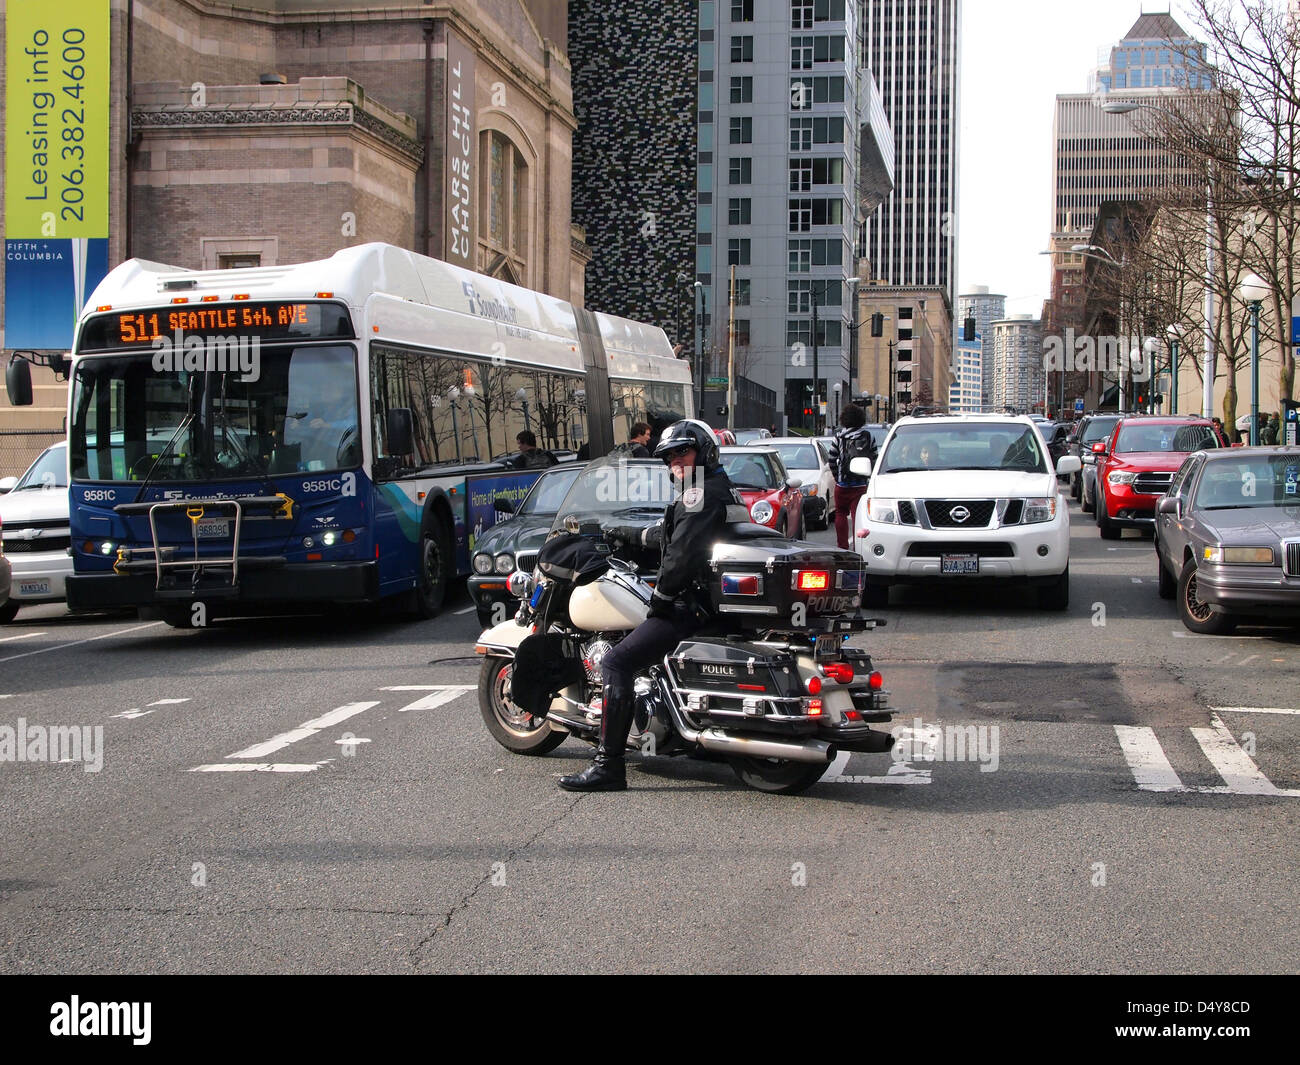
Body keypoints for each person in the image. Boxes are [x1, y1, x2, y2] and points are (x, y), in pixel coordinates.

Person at [558, 419, 744, 792]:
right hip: (715, 605)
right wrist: (623, 533)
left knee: (616, 662)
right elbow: (675, 535)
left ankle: (607, 766)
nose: (676, 460)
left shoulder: (698, 494)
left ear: (705, 451)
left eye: (683, 451)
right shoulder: (717, 489)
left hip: (690, 606)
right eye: (670, 456)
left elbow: (682, 555)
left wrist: (659, 599)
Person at [826, 404, 878, 550]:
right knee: (857, 516)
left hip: (842, 485)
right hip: (860, 485)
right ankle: (858, 546)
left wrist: (838, 478)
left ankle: (842, 546)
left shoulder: (839, 437)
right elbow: (874, 458)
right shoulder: (867, 436)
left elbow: (831, 459)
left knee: (840, 513)